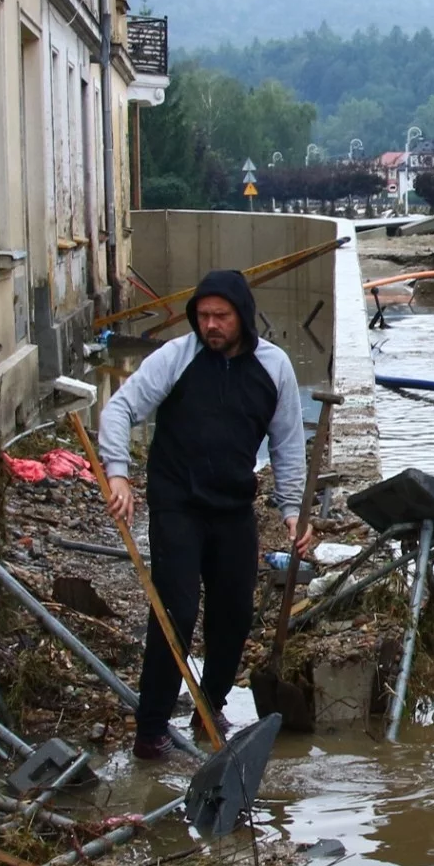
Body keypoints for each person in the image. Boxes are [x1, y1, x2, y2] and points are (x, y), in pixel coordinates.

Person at [99, 271, 307, 759]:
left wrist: (293, 509)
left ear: (243, 317)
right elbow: (120, 409)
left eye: (221, 317)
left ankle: (207, 707)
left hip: (233, 507)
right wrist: (118, 474)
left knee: (233, 616)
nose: (210, 326)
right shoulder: (177, 357)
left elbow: (289, 444)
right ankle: (149, 733)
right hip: (178, 505)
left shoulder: (273, 369)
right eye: (203, 316)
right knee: (175, 613)